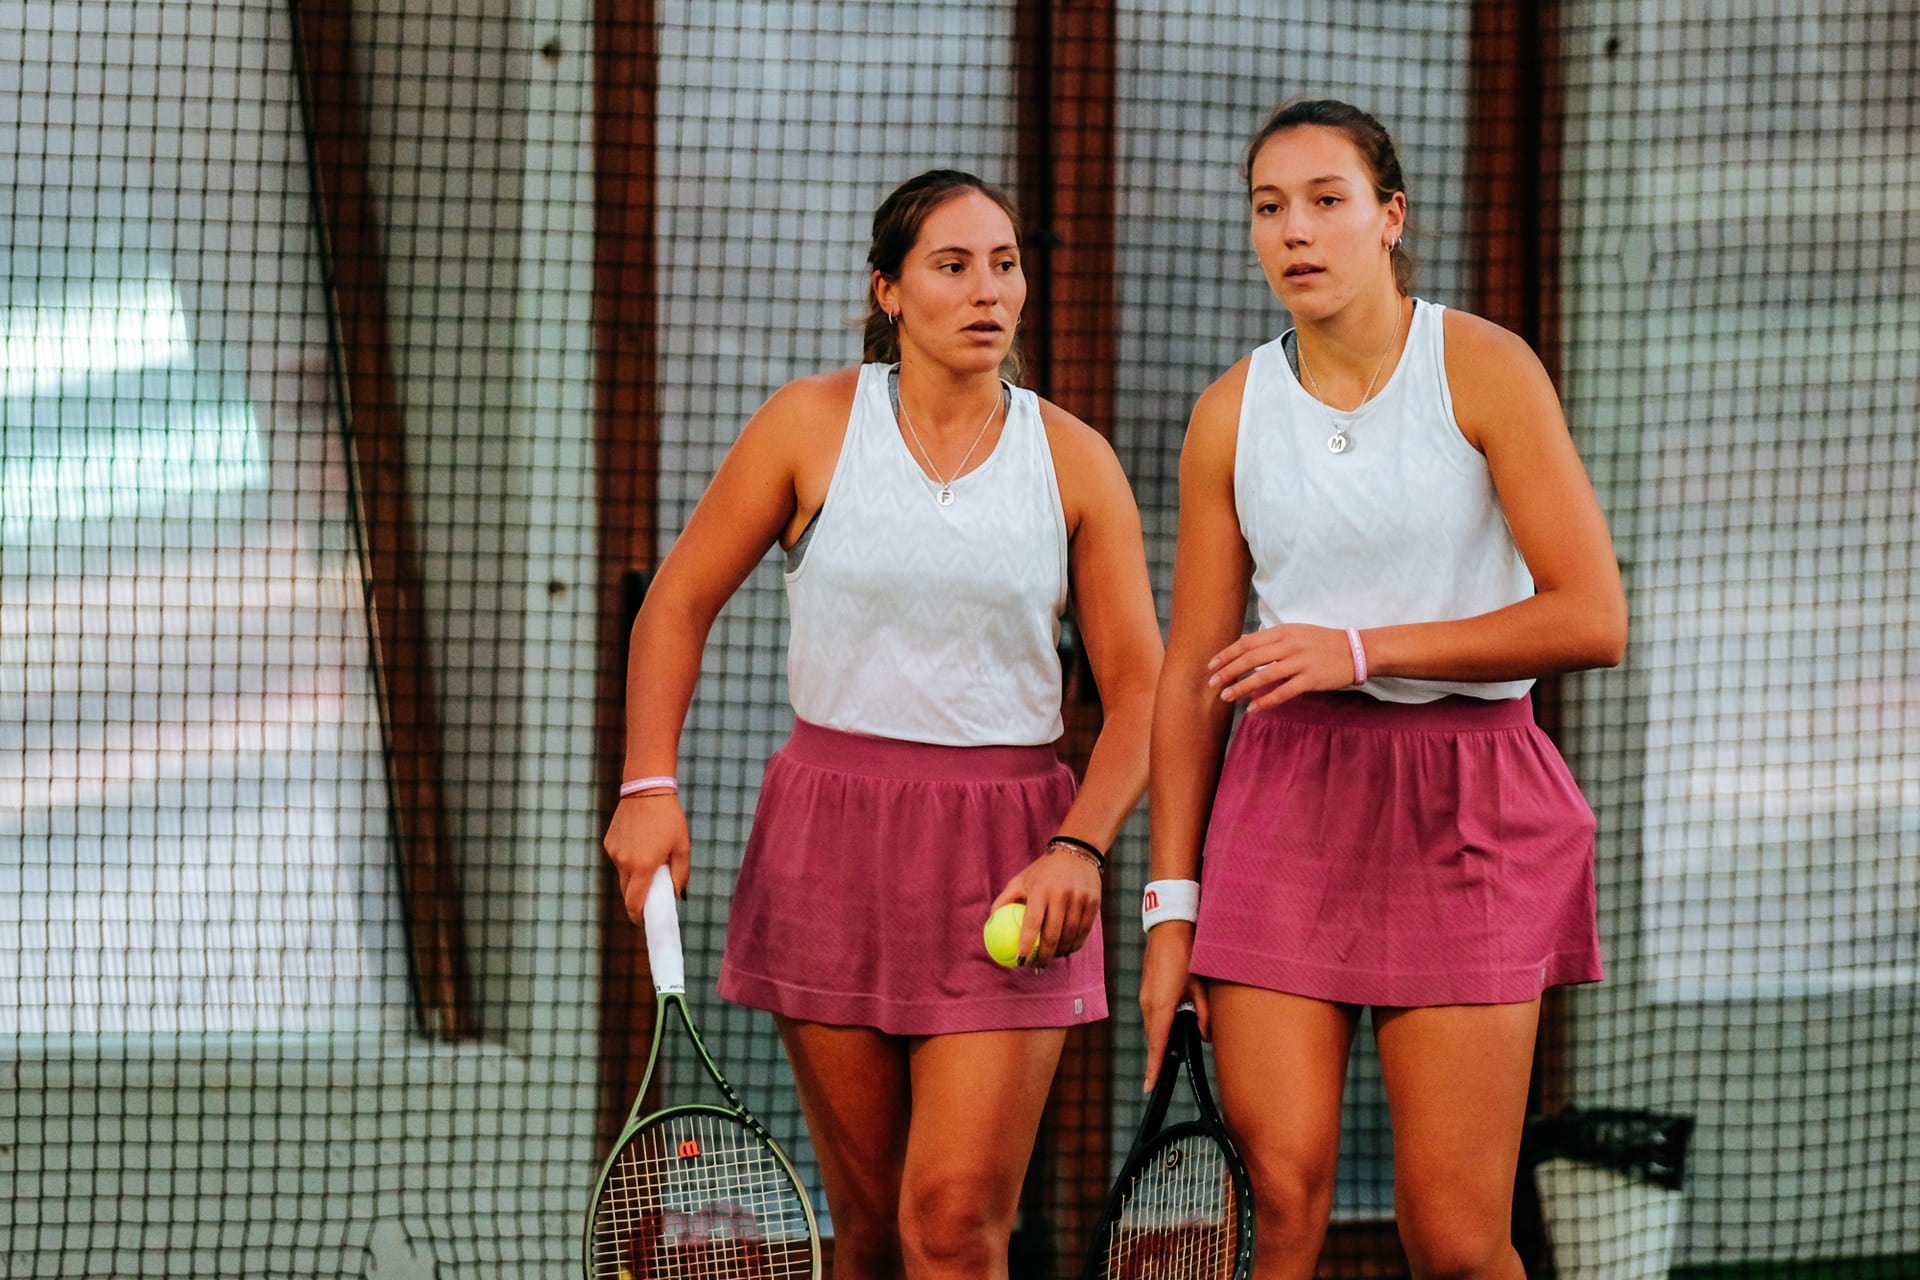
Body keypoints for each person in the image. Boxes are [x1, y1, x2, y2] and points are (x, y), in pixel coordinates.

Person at [604, 169, 1163, 1280]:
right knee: (865, 1234)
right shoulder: (809, 424)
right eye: (951, 266)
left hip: (1015, 854)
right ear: (890, 290)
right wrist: (647, 785)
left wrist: (1079, 845)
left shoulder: (1074, 459)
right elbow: (675, 603)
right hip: (826, 846)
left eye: (1003, 264)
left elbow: (1147, 689)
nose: (986, 290)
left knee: (952, 1227)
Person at [1139, 100, 1627, 1280]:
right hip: (1285, 807)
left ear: (1389, 218)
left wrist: (1361, 647)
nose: (1295, 230)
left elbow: (1590, 614)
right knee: (1278, 1208)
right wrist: (1168, 909)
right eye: (1270, 207)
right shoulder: (1228, 415)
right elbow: (1191, 683)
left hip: (1473, 800)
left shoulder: (1486, 366)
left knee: (1456, 1237)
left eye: (1327, 200)